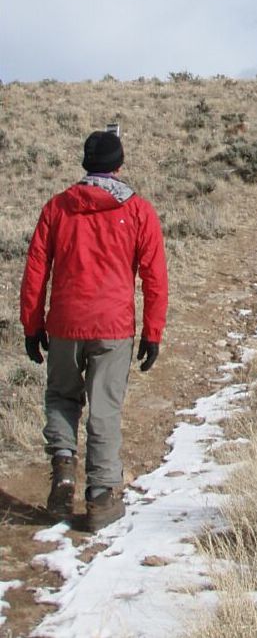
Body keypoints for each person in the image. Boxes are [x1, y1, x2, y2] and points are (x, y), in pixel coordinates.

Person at [20, 130, 168, 531]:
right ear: (119, 164)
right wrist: (152, 332)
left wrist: (32, 325)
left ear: (86, 164)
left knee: (61, 397)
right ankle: (101, 497)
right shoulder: (138, 211)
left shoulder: (57, 208)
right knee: (104, 408)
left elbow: (35, 270)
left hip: (66, 323)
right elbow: (155, 277)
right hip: (113, 327)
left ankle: (64, 469)